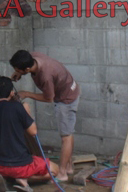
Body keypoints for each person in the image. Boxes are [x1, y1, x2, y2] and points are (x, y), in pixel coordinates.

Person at [0, 76, 58, 191]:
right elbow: (33, 132)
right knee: (55, 170)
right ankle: (23, 179)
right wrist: (27, 111)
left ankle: (10, 178)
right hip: (22, 165)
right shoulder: (18, 107)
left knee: (14, 170)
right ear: (12, 93)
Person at [10, 50, 79, 182]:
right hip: (68, 87)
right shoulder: (32, 57)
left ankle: (63, 173)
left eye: (18, 69)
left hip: (66, 99)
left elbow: (48, 98)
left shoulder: (45, 76)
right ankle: (69, 166)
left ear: (27, 69)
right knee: (68, 133)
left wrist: (27, 94)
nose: (16, 71)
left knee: (66, 136)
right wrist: (19, 73)